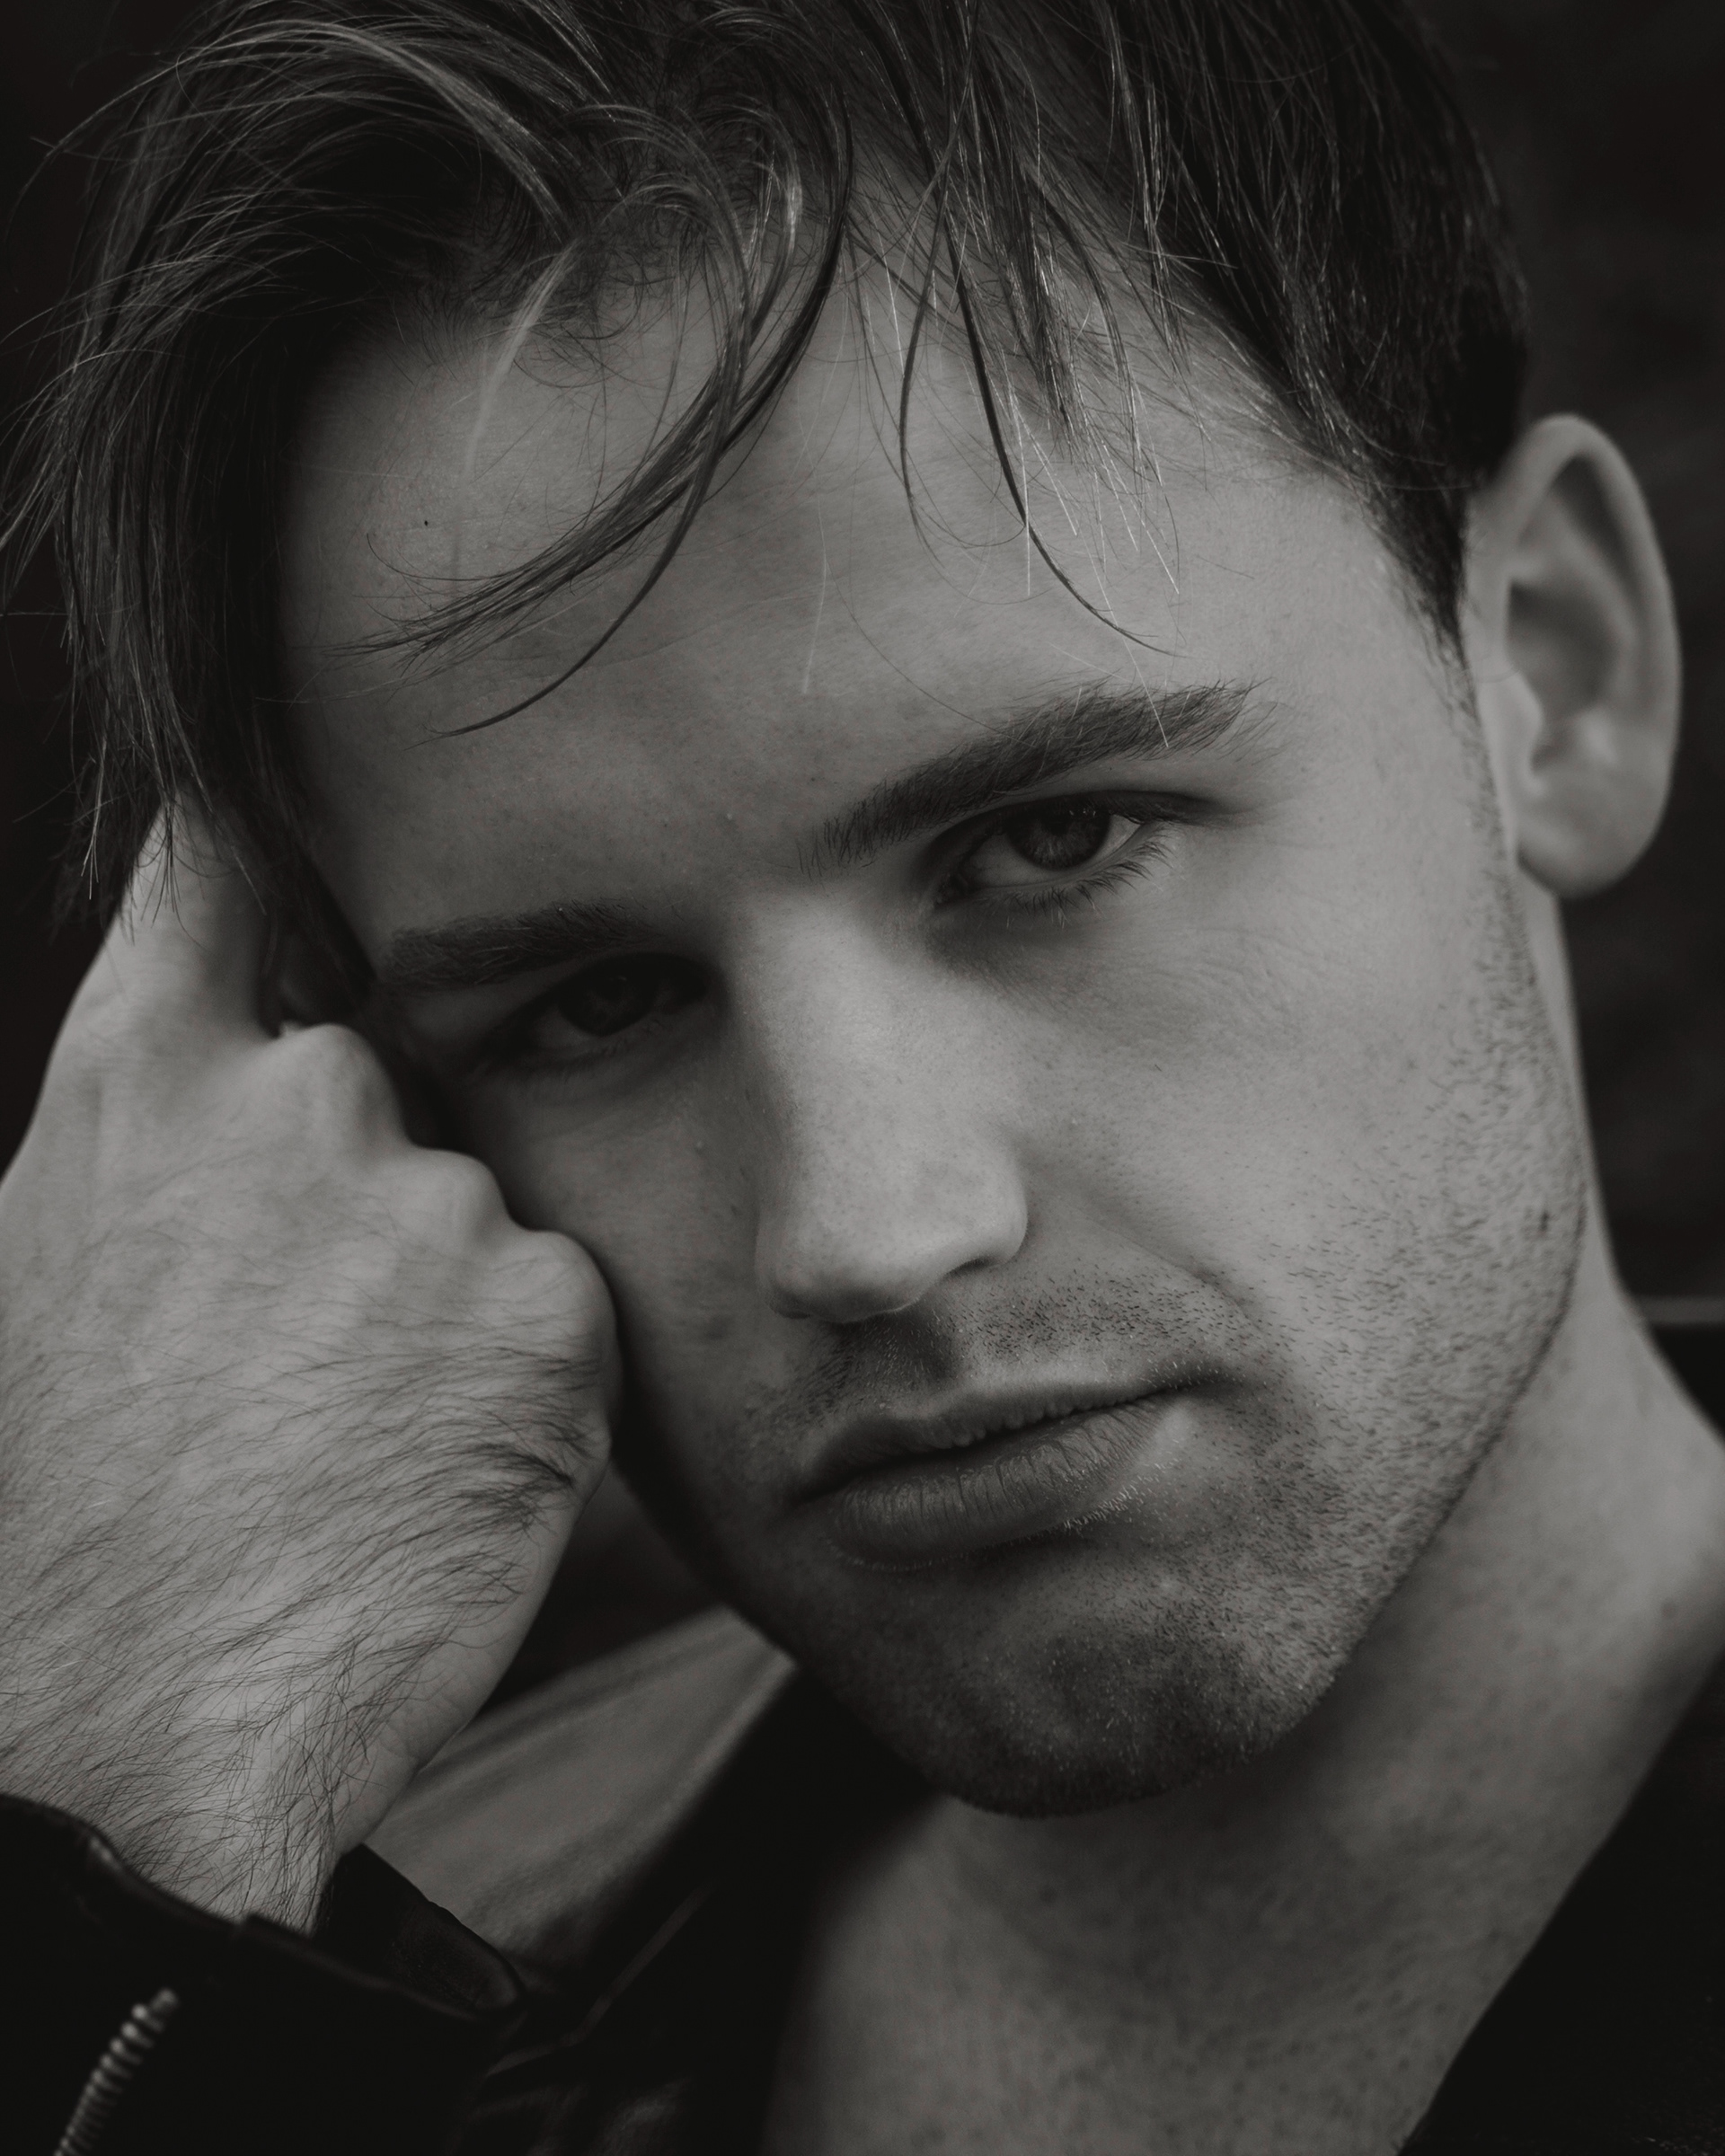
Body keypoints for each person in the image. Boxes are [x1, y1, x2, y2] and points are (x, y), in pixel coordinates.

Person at [4, 0, 1724, 2148]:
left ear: (1551, 672)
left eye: (1052, 842)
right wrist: (110, 1877)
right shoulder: (320, 1994)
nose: (868, 1229)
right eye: (598, 1003)